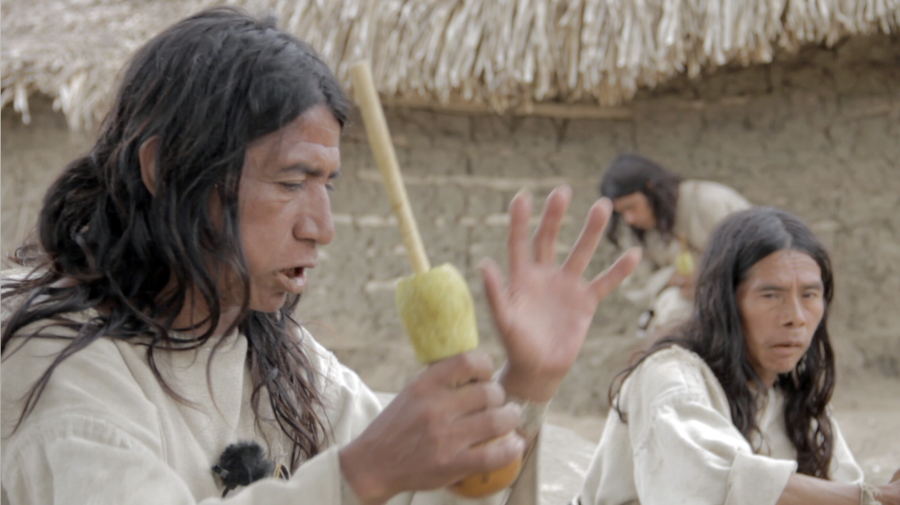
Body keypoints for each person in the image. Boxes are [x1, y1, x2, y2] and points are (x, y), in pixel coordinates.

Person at [0, 7, 641, 505]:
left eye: (326, 184)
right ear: (165, 169)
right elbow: (369, 472)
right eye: (290, 182)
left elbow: (421, 489)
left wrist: (524, 384)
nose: (323, 227)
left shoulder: (274, 352)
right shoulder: (56, 365)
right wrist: (360, 474)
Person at [572, 207, 900, 505]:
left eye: (810, 295)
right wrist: (873, 496)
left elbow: (841, 490)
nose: (796, 317)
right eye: (771, 294)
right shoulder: (671, 378)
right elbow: (715, 483)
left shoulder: (794, 399)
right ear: (726, 302)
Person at [600, 154, 751, 337]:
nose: (629, 219)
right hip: (690, 310)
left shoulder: (711, 202)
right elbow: (635, 284)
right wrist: (671, 278)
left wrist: (711, 279)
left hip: (740, 299)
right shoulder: (637, 233)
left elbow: (758, 253)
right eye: (622, 212)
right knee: (673, 307)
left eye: (632, 207)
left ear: (651, 189)